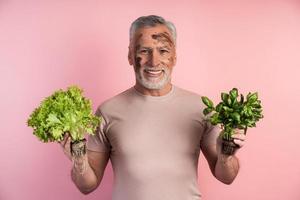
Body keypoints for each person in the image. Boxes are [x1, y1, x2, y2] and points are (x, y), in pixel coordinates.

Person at [59, 15, 246, 200]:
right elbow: (87, 187)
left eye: (163, 51)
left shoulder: (201, 108)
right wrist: (79, 162)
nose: (154, 61)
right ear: (130, 55)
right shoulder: (108, 111)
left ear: (174, 56)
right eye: (144, 51)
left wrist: (226, 156)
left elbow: (226, 177)